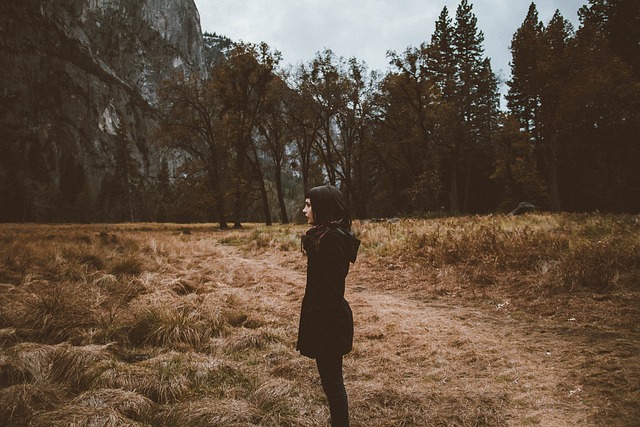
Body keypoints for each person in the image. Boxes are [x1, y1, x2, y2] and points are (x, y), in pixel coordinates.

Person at [297, 184, 360, 427]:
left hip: (329, 324)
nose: (304, 210)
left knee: (333, 384)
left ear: (322, 208)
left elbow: (331, 291)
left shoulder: (331, 241)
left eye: (309, 205)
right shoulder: (323, 236)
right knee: (330, 382)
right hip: (324, 320)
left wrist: (316, 317)